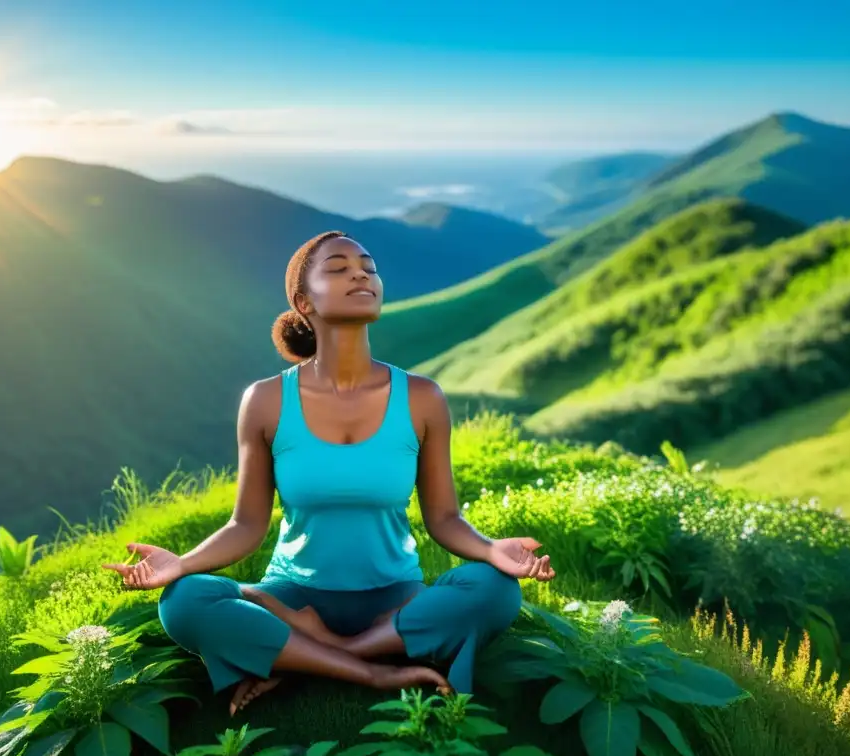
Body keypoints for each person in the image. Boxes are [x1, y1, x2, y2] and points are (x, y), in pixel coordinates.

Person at [102, 230, 556, 717]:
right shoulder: (266, 401)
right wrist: (181, 564)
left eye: (368, 266)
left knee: (495, 590)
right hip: (294, 593)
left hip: (394, 597)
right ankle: (373, 666)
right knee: (185, 602)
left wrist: (491, 549)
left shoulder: (423, 398)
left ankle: (304, 654)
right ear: (303, 301)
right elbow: (246, 525)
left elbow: (444, 518)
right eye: (338, 268)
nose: (361, 273)